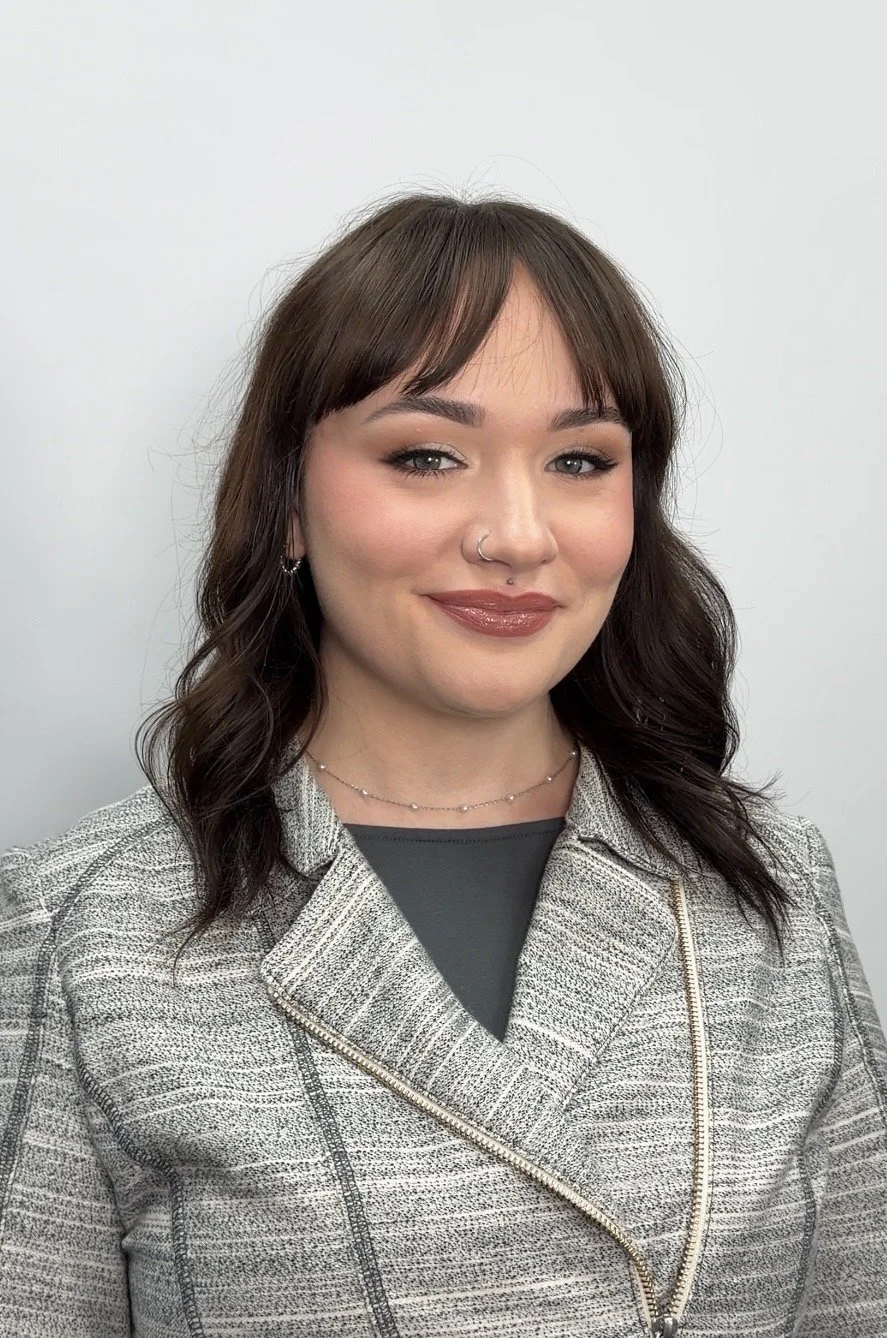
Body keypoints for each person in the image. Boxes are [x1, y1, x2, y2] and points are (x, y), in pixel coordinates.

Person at [1, 191, 885, 1338]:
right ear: (287, 504)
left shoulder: (766, 884)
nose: (516, 534)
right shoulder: (90, 922)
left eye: (578, 460)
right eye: (426, 455)